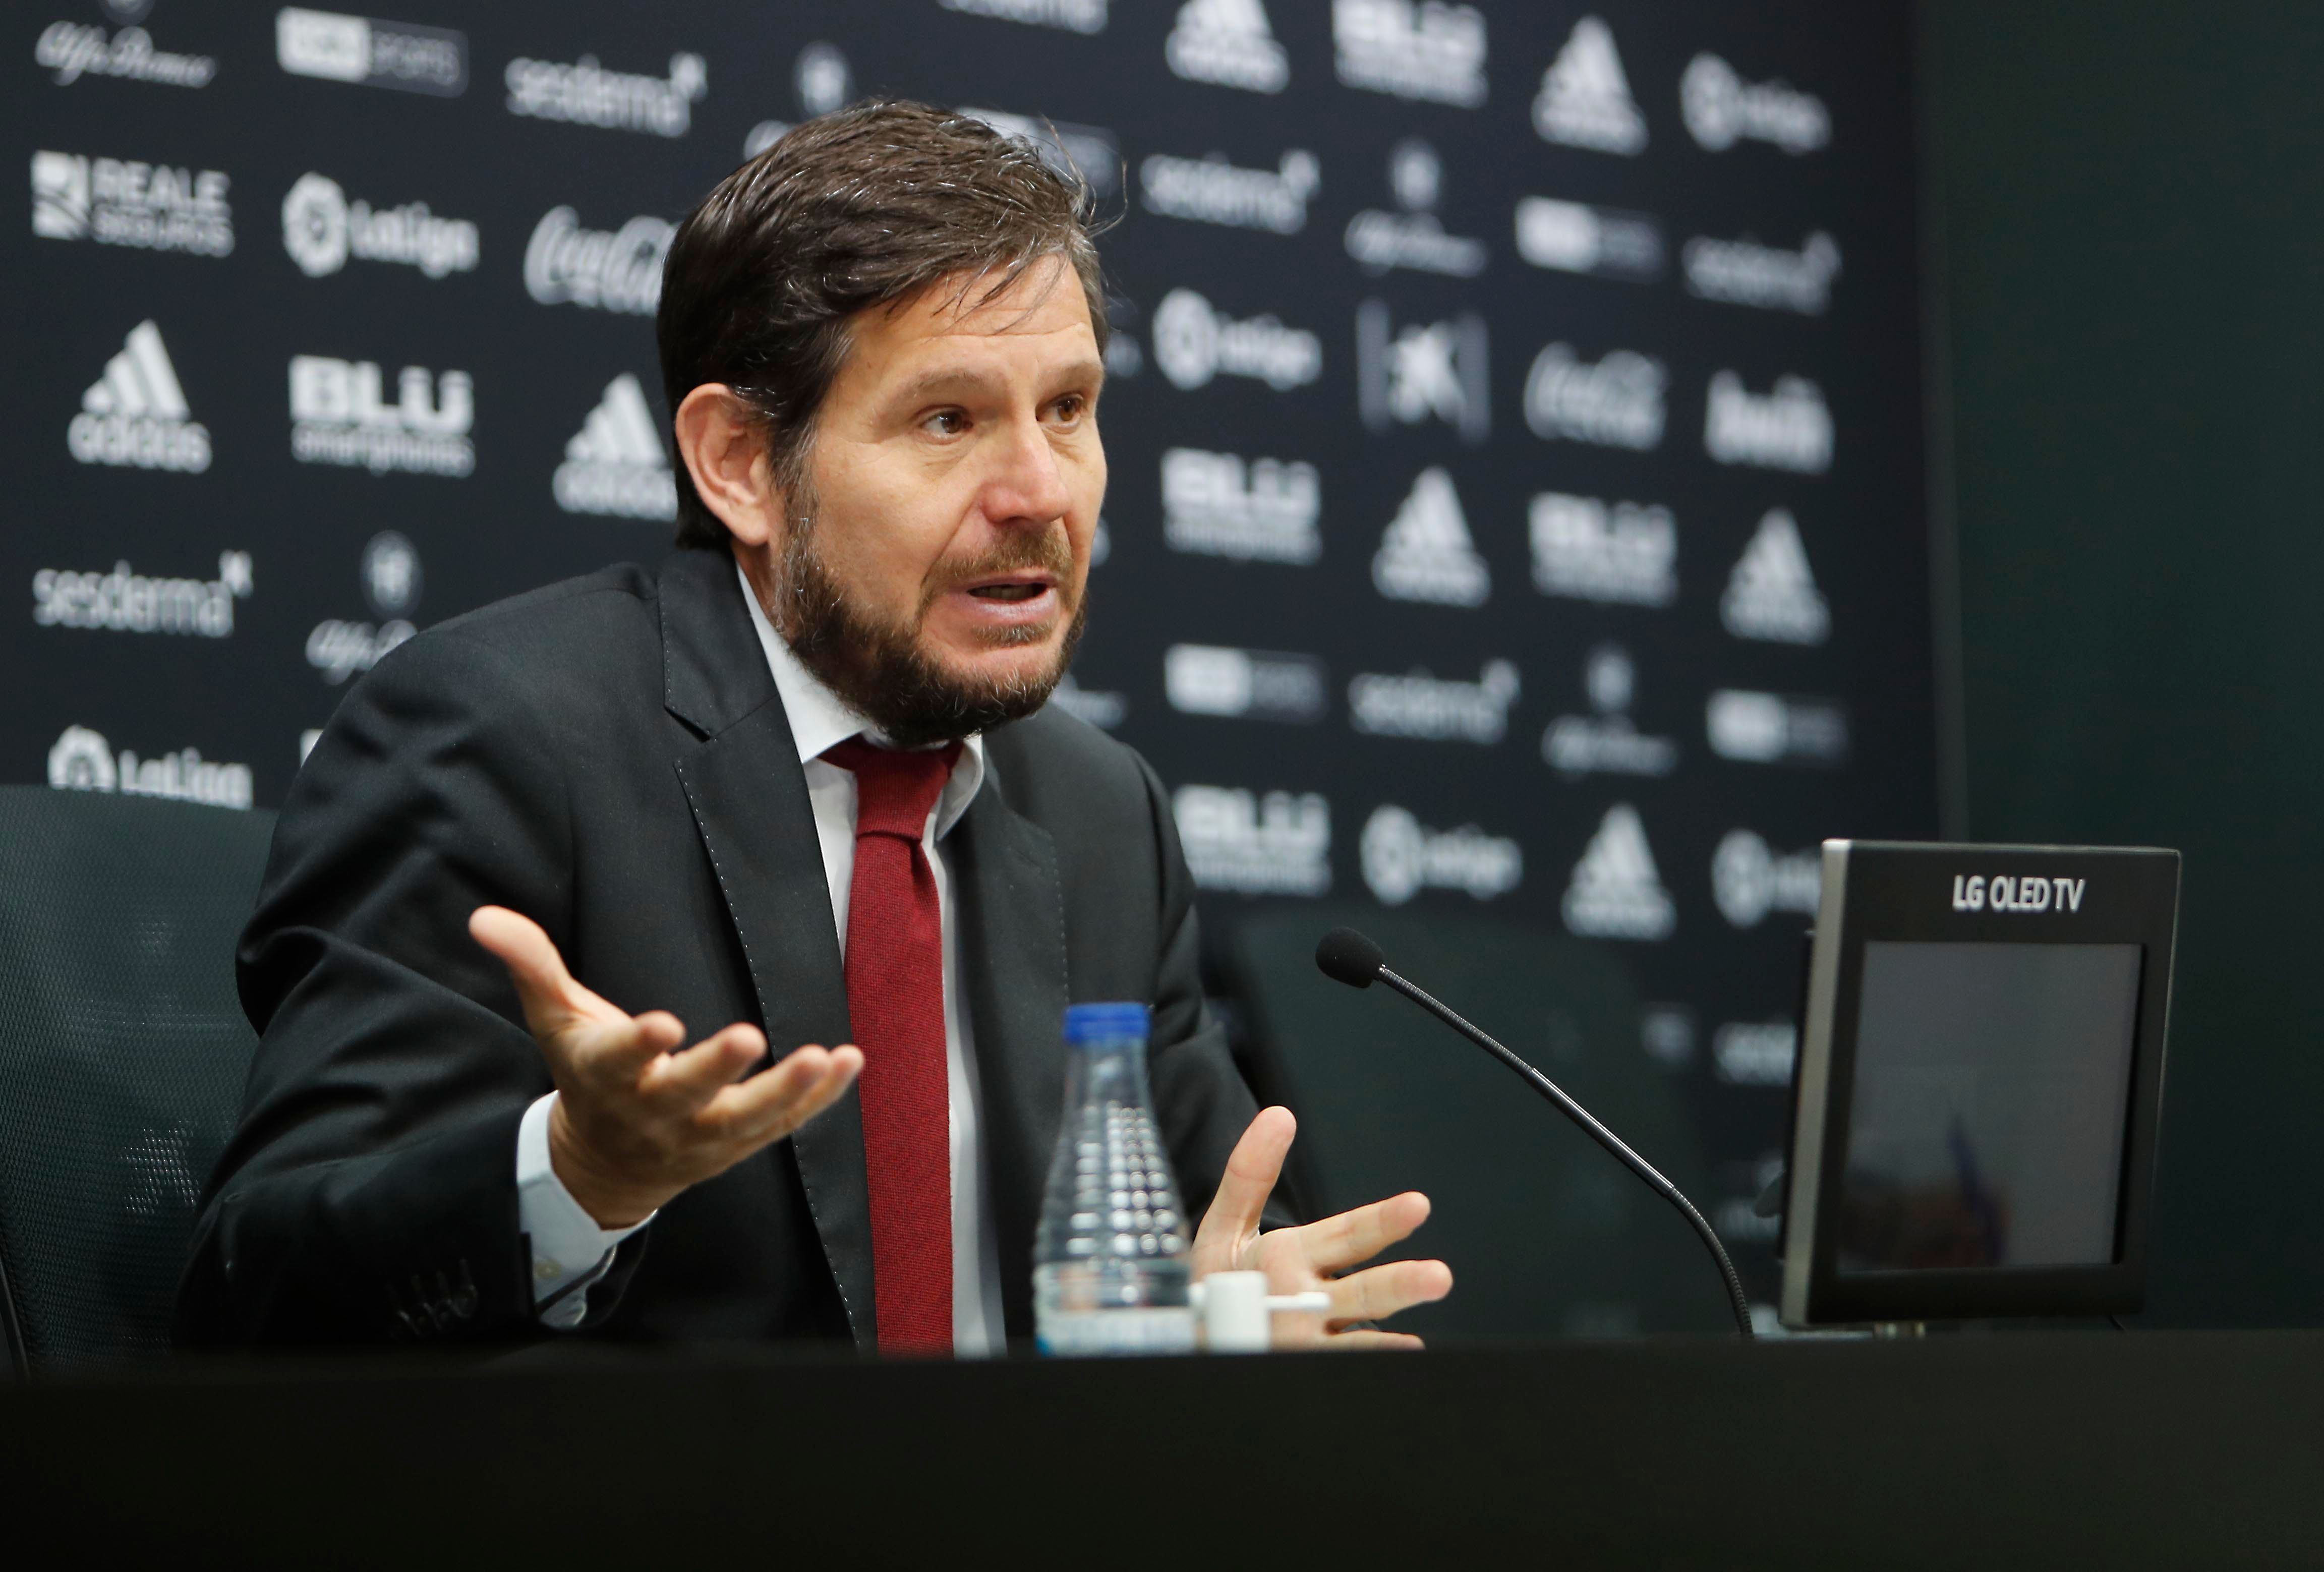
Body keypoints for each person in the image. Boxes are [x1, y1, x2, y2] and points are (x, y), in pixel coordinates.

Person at [178, 101, 1451, 1354]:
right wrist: (574, 1176)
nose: (1042, 492)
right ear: (737, 460)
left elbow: (1216, 1244)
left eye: (1068, 407)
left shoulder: (1099, 808)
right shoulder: (499, 737)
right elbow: (262, 1285)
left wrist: (1221, 1321)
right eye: (948, 420)